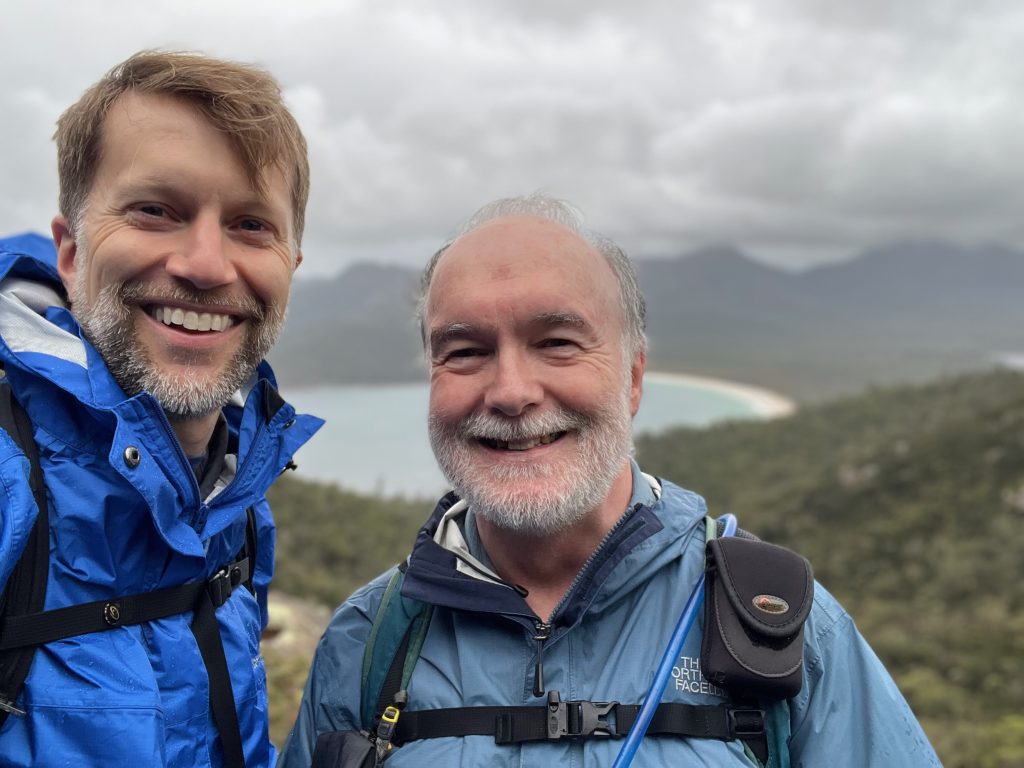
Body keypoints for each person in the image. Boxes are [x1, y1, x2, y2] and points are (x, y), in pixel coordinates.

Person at [279, 194, 940, 767]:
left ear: (632, 378)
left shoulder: (779, 626)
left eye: (558, 342)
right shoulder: (369, 643)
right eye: (465, 352)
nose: (510, 391)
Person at [0, 51, 321, 767]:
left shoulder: (234, 497)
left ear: (290, 269)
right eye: (155, 210)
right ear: (72, 252)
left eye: (250, 224)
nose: (205, 265)